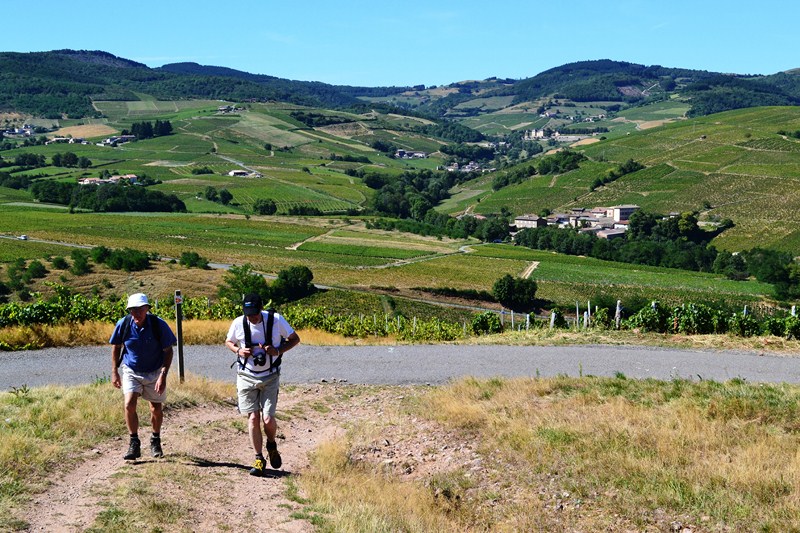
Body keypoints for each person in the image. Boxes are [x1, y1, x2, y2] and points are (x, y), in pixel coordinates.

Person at [225, 293, 300, 476]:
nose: (252, 317)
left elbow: (295, 339)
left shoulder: (276, 320)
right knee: (253, 418)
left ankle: (271, 444)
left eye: (255, 313)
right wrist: (238, 350)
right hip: (246, 375)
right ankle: (259, 458)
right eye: (248, 314)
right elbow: (228, 341)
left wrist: (277, 351)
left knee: (268, 419)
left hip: (270, 376)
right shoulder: (238, 323)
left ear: (261, 309)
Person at [110, 293, 177, 460]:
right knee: (129, 404)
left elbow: (168, 351)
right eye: (133, 310)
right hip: (131, 370)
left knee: (156, 408)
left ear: (147, 309)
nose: (137, 313)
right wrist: (114, 371)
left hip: (155, 370)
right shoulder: (124, 324)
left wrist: (163, 375)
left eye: (140, 309)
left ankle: (155, 440)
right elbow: (116, 346)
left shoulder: (158, 324)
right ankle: (134, 442)